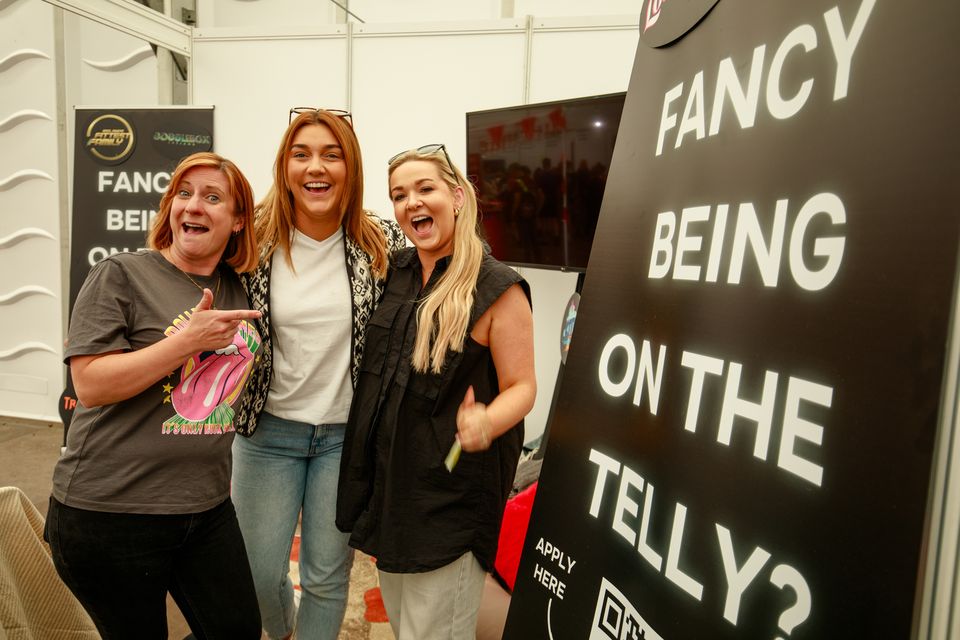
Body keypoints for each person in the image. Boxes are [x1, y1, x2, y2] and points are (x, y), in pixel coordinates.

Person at [47, 151, 264, 639]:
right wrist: (185, 341)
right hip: (112, 512)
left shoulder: (241, 286)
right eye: (183, 195)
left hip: (206, 507)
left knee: (238, 631)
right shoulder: (120, 275)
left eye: (213, 197)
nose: (193, 207)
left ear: (237, 221)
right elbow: (91, 385)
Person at [337, 143, 537, 639]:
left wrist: (487, 421)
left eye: (425, 189)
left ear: (457, 196)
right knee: (409, 626)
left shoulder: (498, 287)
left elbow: (524, 386)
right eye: (399, 195)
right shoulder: (399, 271)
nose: (411, 203)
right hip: (393, 492)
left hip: (448, 500)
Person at [231, 108, 405, 640]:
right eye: (302, 154)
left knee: (328, 579)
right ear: (285, 167)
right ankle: (282, 628)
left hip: (345, 440)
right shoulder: (252, 242)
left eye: (332, 155)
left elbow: (455, 254)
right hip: (268, 433)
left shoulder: (383, 240)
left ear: (350, 168)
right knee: (257, 575)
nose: (317, 167)